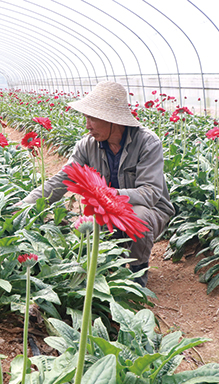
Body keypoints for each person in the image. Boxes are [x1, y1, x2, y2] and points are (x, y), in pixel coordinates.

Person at [21, 81, 175, 287]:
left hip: (150, 210)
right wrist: (25, 206)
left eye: (92, 118)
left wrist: (106, 194)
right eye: (87, 117)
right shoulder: (86, 145)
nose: (87, 125)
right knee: (88, 223)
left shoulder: (148, 142)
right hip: (105, 209)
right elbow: (62, 179)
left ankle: (138, 275)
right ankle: (108, 267)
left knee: (138, 216)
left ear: (112, 119)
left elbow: (150, 193)